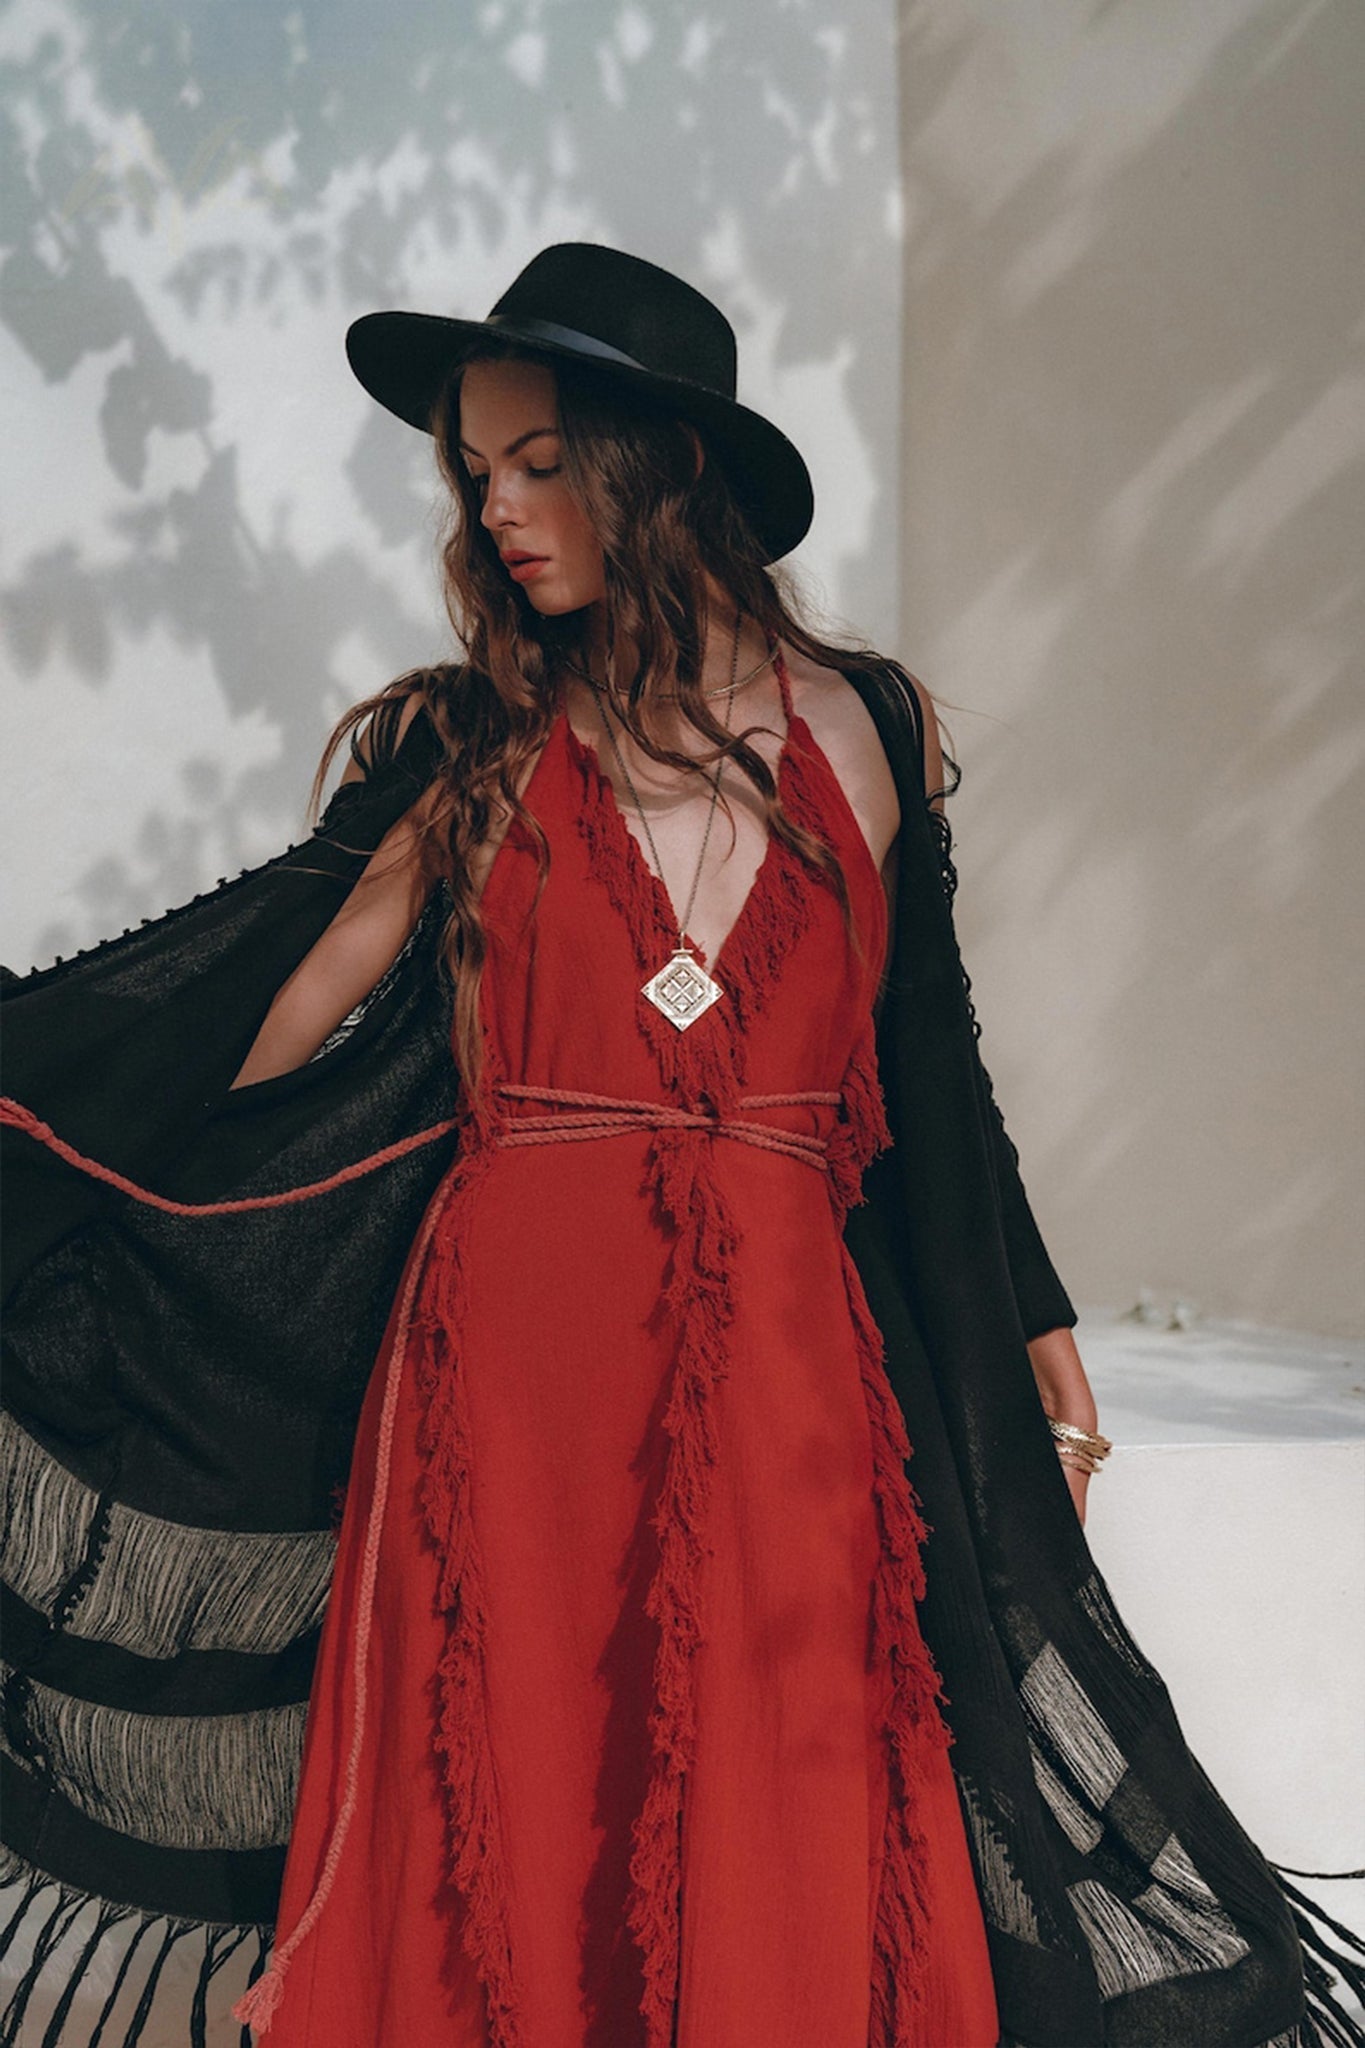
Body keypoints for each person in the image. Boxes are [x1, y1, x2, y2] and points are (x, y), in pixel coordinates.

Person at [0, 244, 1354, 2048]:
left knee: (791, 1773)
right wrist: (66, 1129)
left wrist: (1023, 1311)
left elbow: (925, 1066)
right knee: (527, 1812)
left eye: (540, 460)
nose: (498, 511)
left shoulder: (860, 729)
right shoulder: (472, 747)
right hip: (513, 1380)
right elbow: (280, 994)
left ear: (662, 463)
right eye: (478, 474)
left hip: (790, 1368)